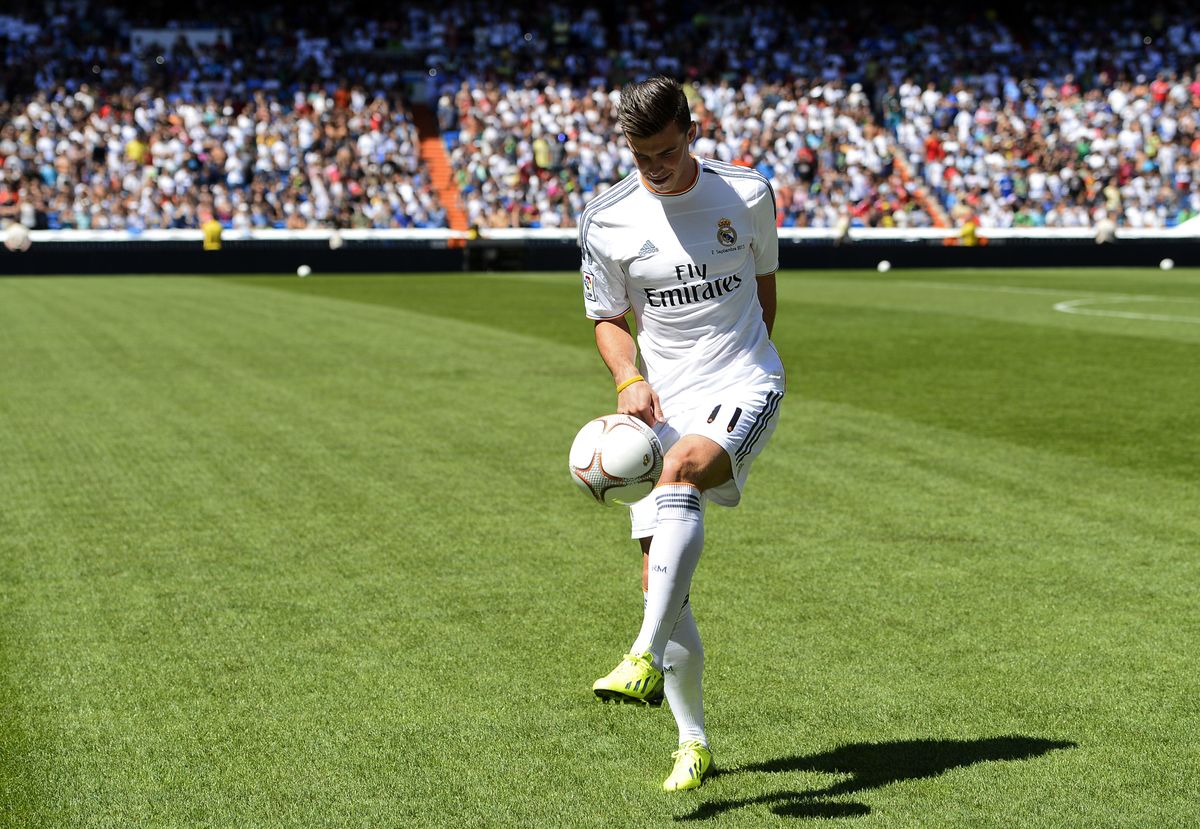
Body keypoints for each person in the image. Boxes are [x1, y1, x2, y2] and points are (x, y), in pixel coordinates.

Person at [577, 75, 785, 792]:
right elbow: (606, 317)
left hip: (744, 381)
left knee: (682, 472)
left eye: (665, 150)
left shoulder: (748, 193)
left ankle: (638, 655)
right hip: (660, 403)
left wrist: (741, 366)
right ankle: (692, 741)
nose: (654, 166)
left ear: (691, 131)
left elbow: (765, 291)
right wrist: (627, 377)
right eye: (640, 155)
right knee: (662, 584)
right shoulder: (605, 219)